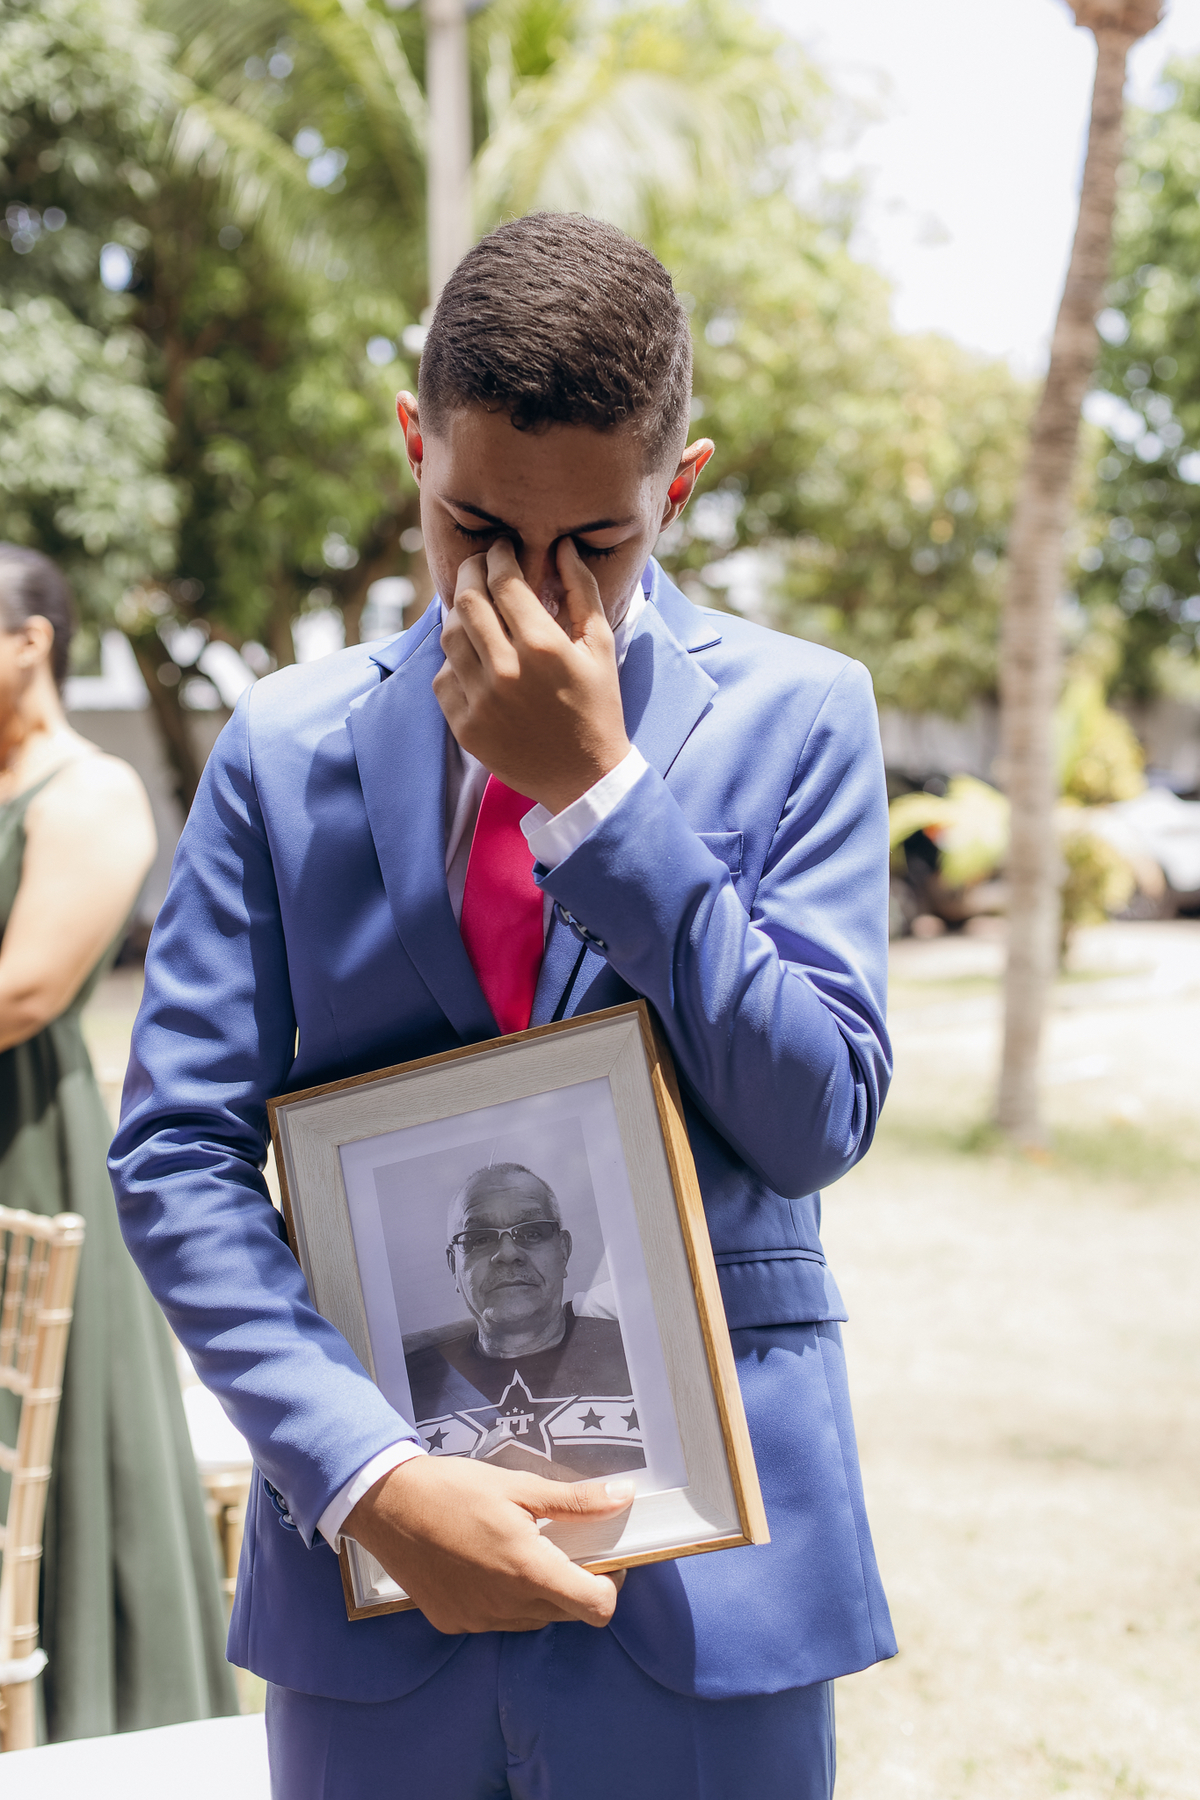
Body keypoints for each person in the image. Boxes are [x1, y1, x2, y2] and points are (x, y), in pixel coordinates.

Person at [111, 213, 896, 1798]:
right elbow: (176, 1156)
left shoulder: (803, 715)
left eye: (595, 547)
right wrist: (365, 1477)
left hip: (708, 1586)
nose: (531, 592)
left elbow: (813, 1122)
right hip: (374, 1593)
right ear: (414, 445)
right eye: (474, 525)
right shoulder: (279, 750)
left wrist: (603, 804)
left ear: (677, 489)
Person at [0, 545, 237, 1741]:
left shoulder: (88, 792)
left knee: (50, 1461)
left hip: (27, 1157)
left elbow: (24, 991)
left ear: (29, 643)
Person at [405, 1161, 644, 1481]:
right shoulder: (399, 1388)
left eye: (532, 1232)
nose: (507, 1253)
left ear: (564, 1252)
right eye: (478, 1238)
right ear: (454, 1267)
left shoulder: (643, 1349)